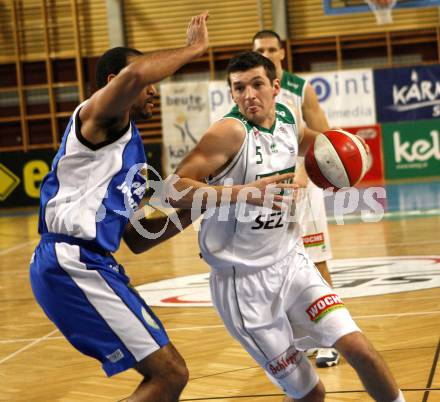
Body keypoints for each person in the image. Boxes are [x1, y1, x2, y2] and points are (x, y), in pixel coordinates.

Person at [168, 52, 405, 402]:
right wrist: (244, 193)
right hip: (243, 284)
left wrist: (346, 154)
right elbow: (173, 190)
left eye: (257, 84)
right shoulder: (228, 133)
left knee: (360, 348)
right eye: (239, 88)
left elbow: (314, 141)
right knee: (312, 394)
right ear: (232, 93)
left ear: (275, 86)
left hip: (292, 265)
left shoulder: (288, 117)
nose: (249, 94)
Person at [29, 12, 209, 402]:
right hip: (72, 260)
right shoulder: (95, 117)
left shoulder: (133, 152)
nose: (153, 91)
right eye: (147, 84)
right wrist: (194, 49)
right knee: (171, 375)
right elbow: (135, 76)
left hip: (94, 264)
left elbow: (138, 238)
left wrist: (196, 209)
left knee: (170, 376)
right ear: (114, 84)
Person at [252, 29, 338, 367]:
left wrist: (304, 174)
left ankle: (331, 338)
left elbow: (324, 138)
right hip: (268, 191)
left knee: (316, 260)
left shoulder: (300, 89)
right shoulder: (249, 90)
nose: (268, 53)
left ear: (283, 53)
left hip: (302, 188)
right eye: (261, 49)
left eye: (273, 49)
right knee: (276, 264)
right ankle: (298, 339)